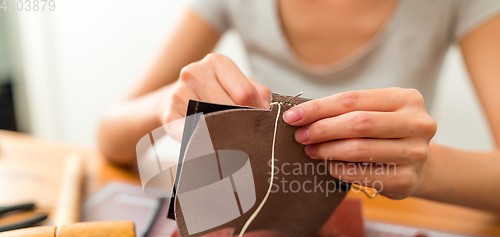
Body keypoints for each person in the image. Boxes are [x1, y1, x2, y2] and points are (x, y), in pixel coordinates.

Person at [98, 0, 500, 212]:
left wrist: (424, 170)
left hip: (400, 216)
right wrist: (166, 106)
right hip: (258, 211)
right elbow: (110, 136)